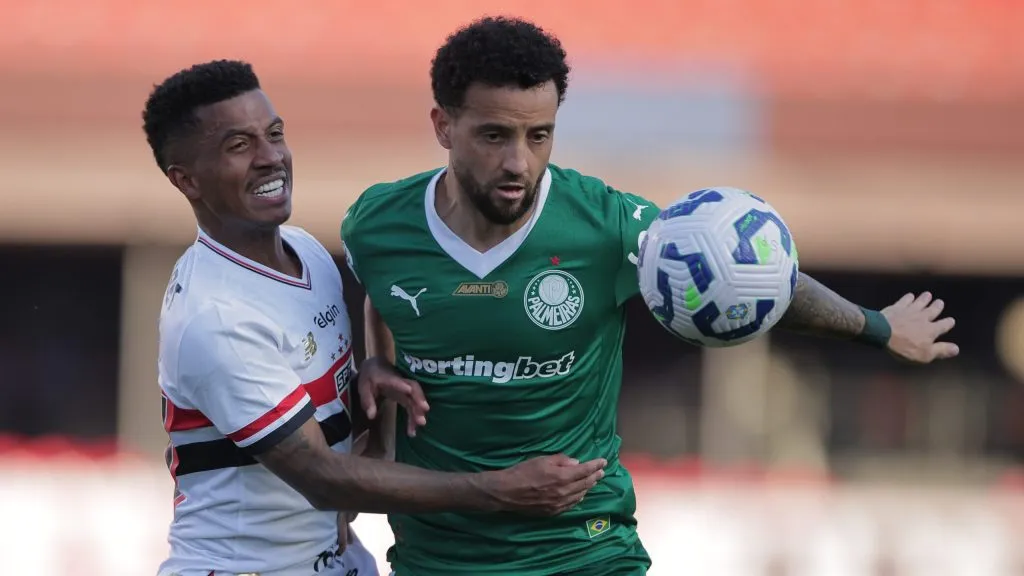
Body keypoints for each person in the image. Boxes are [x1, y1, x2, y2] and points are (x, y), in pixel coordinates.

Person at [340, 17, 959, 576]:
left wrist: (876, 326)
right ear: (443, 126)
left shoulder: (606, 225)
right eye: (494, 135)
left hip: (585, 549)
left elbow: (754, 277)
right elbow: (385, 293)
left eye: (539, 136)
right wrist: (377, 360)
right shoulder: (377, 225)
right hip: (439, 557)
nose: (519, 163)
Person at [144, 59, 608, 576]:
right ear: (185, 180)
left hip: (337, 559)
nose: (271, 157)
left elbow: (326, 414)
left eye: (274, 134)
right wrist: (500, 489)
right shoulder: (215, 318)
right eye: (239, 145)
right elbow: (320, 477)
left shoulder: (306, 254)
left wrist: (372, 373)